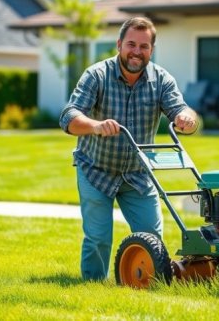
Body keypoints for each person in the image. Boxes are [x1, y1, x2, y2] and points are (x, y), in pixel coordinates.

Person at [59, 16, 198, 281]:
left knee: (152, 238)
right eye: (131, 44)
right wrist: (95, 125)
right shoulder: (97, 75)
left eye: (144, 46)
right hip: (96, 169)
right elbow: (68, 116)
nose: (137, 51)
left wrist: (186, 119)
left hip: (137, 174)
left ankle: (147, 284)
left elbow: (182, 109)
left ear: (151, 50)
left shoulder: (161, 79)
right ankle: (92, 286)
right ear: (119, 44)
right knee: (98, 238)